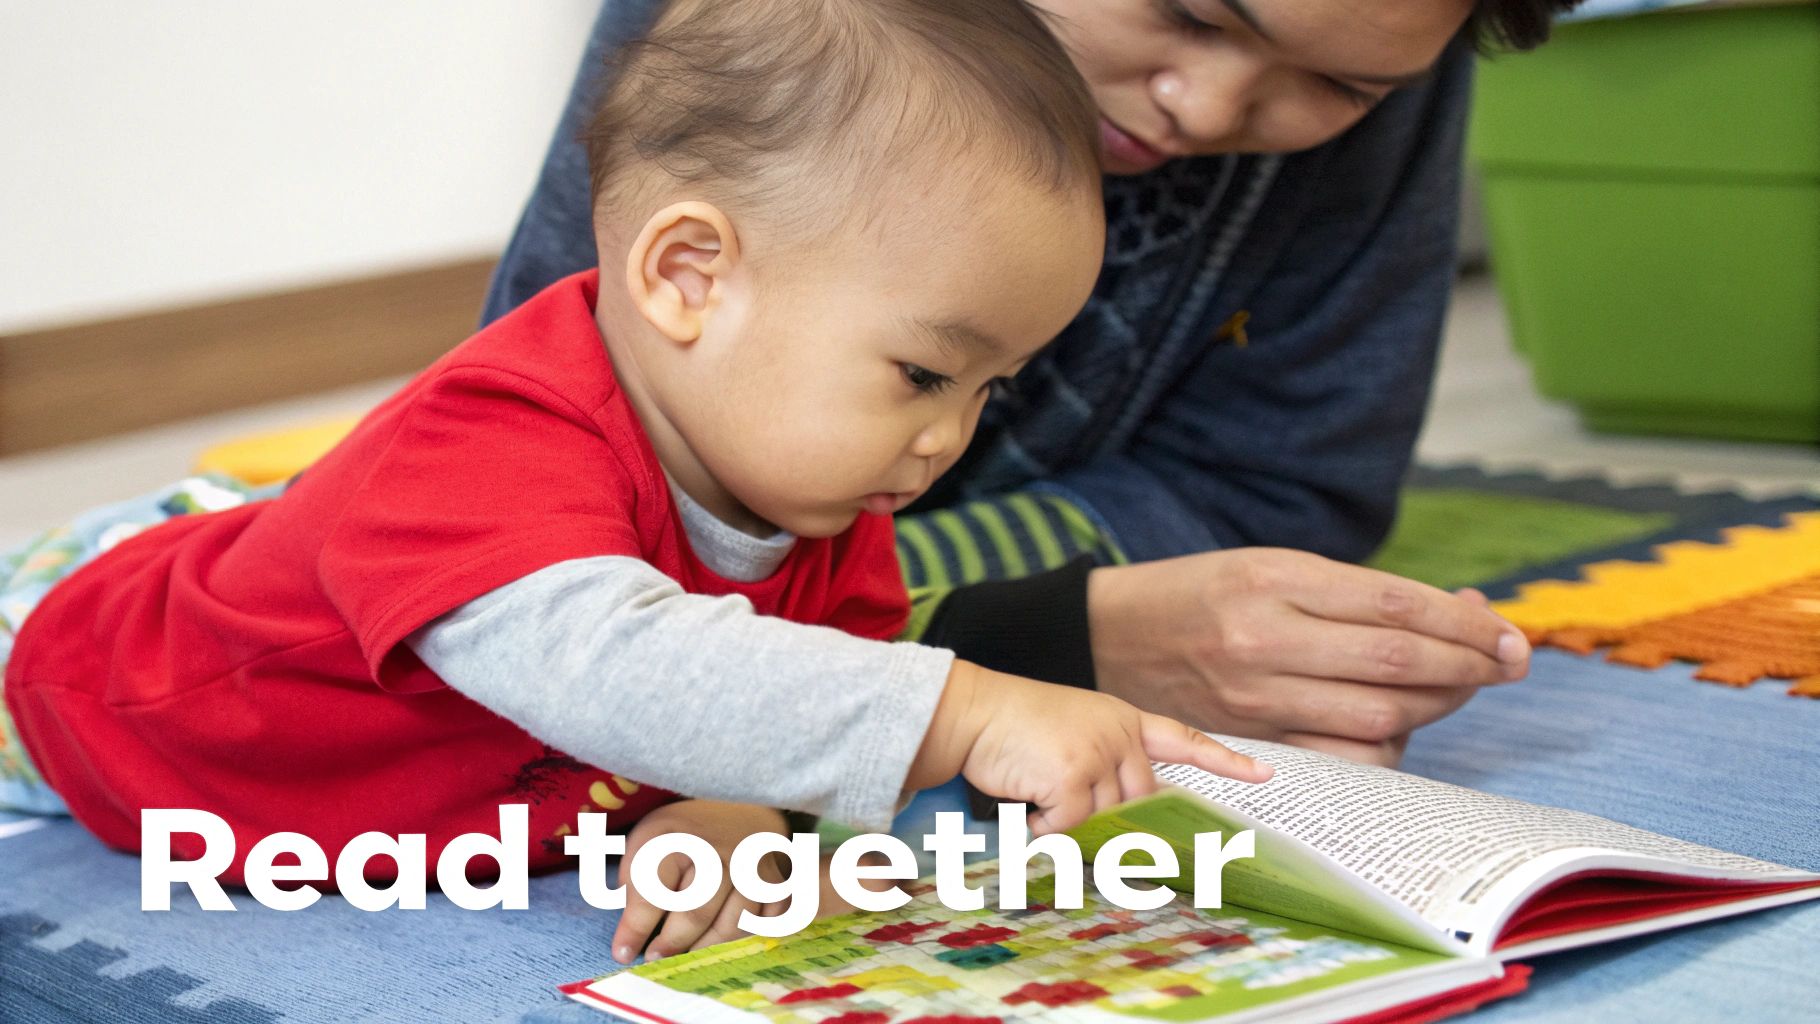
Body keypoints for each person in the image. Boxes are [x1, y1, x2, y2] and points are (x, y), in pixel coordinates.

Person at [0, 0, 1271, 965]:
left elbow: (788, 686)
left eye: (990, 386)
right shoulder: (495, 436)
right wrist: (968, 711)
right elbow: (602, 662)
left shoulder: (825, 497)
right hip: (79, 668)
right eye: (925, 372)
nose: (952, 436)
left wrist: (733, 803)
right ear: (687, 278)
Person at [489, 0, 1583, 769]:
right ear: (685, 268)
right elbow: (586, 550)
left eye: (1341, 85)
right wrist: (1037, 638)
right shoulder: (738, 65)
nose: (1200, 110)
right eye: (1191, 14)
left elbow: (1282, 490)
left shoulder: (1387, 76)